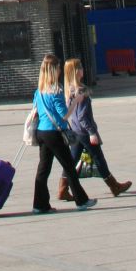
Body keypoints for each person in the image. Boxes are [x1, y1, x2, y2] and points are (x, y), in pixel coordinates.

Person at [31, 54, 94, 214]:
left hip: (41, 132)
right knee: (69, 167)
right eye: (58, 67)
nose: (60, 70)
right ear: (53, 70)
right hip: (54, 134)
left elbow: (35, 111)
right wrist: (75, 102)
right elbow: (64, 115)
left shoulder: (39, 91)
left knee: (43, 169)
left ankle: (39, 204)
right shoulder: (56, 91)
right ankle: (82, 201)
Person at [62, 58, 131, 199]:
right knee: (99, 158)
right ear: (75, 72)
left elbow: (69, 115)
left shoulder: (68, 91)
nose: (83, 69)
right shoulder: (82, 91)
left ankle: (62, 189)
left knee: (72, 161)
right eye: (80, 67)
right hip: (84, 133)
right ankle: (114, 186)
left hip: (75, 132)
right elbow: (82, 116)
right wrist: (92, 132)